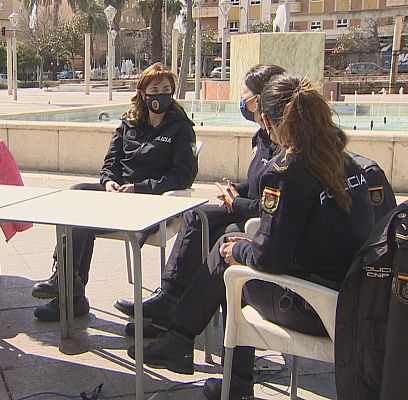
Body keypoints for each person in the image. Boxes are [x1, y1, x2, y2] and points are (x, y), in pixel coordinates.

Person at [128, 74, 375, 400]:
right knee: (232, 238)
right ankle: (193, 348)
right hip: (352, 301)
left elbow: (269, 259)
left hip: (313, 305)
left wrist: (240, 251)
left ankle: (189, 345)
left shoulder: (287, 170)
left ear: (268, 121)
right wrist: (242, 245)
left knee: (232, 265)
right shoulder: (349, 163)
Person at [114, 64, 286, 337]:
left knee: (219, 232)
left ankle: (175, 317)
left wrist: (237, 202)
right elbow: (258, 186)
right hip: (246, 210)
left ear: (261, 100)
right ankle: (169, 301)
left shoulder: (282, 145)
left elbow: (276, 204)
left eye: (246, 94)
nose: (242, 99)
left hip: (257, 222)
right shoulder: (264, 137)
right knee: (199, 217)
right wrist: (237, 190)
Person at [31, 62, 198, 322]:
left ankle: (67, 292)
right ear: (143, 93)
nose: (161, 94)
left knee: (82, 220)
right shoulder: (129, 122)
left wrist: (139, 188)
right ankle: (67, 287)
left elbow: (182, 176)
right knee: (77, 195)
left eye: (166, 89)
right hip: (116, 194)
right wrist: (109, 182)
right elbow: (110, 162)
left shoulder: (181, 128)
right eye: (155, 89)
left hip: (149, 202)